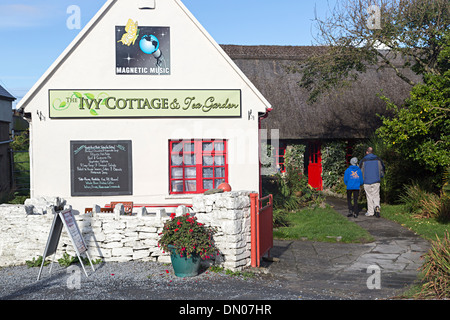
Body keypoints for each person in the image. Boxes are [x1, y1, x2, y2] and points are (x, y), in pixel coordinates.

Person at [359, 147, 385, 217]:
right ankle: (377, 206)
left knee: (369, 196)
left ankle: (370, 212)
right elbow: (382, 169)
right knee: (376, 195)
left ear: (367, 152)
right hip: (376, 180)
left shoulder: (363, 160)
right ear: (373, 152)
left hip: (367, 181)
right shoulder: (378, 159)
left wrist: (361, 180)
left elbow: (360, 171)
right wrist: (381, 176)